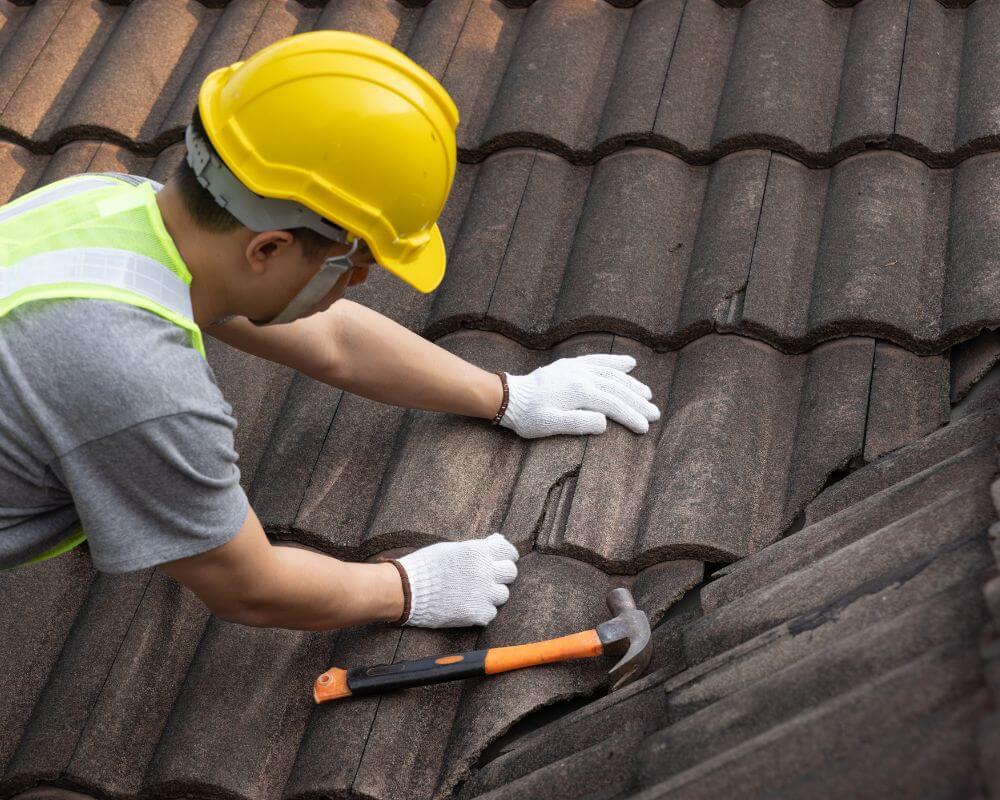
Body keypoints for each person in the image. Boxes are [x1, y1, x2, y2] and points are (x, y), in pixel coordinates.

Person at [0, 31, 660, 632]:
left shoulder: (106, 202)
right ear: (267, 250)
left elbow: (333, 340)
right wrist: (404, 587)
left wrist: (508, 394)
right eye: (354, 263)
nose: (359, 284)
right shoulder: (137, 380)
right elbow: (248, 587)